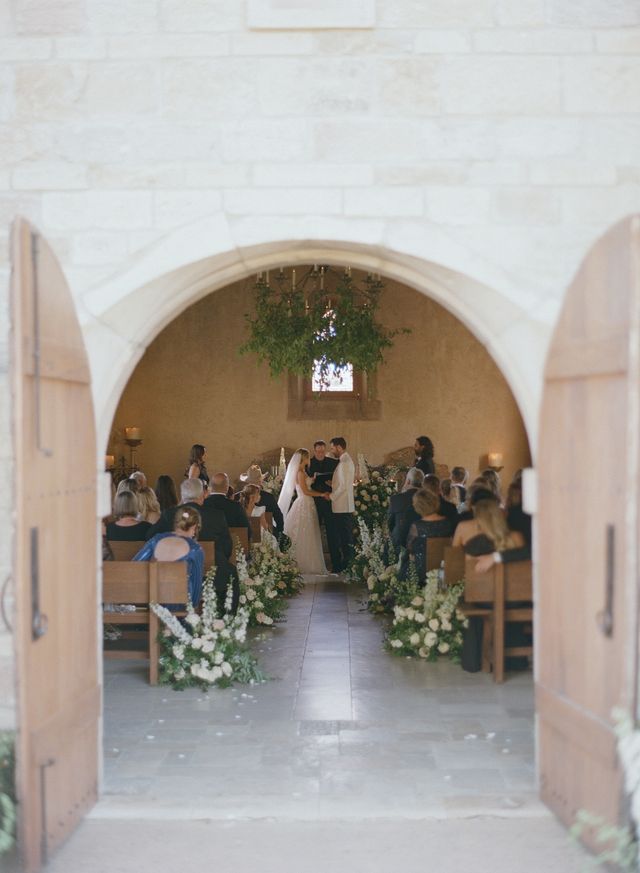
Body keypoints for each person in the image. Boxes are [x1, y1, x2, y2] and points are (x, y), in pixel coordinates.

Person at [133, 505, 204, 607]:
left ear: (176, 522)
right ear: (194, 527)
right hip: (181, 608)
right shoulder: (195, 549)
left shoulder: (156, 540)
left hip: (154, 602)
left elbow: (134, 566)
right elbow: (196, 592)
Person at [278, 449, 327, 574]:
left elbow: (306, 485)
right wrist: (321, 494)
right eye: (308, 457)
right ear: (304, 458)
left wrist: (312, 480)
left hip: (307, 503)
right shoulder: (300, 472)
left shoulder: (302, 471)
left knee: (309, 532)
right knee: (304, 532)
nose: (309, 459)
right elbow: (305, 491)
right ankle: (303, 564)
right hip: (304, 503)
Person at [406, 489, 454, 583]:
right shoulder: (448, 523)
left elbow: (409, 547)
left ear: (417, 506)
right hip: (443, 569)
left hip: (423, 571)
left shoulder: (417, 526)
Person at [307, 440, 340, 572]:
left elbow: (339, 480)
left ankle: (336, 564)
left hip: (328, 501)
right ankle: (313, 564)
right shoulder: (308, 464)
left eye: (322, 451)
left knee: (332, 532)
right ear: (314, 451)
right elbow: (305, 482)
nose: (320, 453)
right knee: (312, 533)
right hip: (313, 502)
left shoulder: (333, 463)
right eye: (318, 451)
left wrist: (333, 482)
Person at [329, 437, 356, 573]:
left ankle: (348, 566)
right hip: (342, 505)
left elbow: (344, 486)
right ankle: (347, 565)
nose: (331, 451)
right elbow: (341, 483)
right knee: (344, 537)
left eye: (332, 448)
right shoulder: (344, 461)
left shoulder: (345, 462)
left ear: (339, 447)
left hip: (342, 506)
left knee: (345, 539)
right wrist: (332, 484)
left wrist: (331, 496)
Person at [237, 465, 284, 537]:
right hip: (265, 534)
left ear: (247, 482)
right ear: (260, 481)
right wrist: (279, 532)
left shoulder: (237, 496)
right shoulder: (268, 497)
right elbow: (278, 516)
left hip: (242, 536)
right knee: (287, 542)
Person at [204, 472, 251, 541]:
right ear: (227, 487)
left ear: (210, 487)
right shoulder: (236, 507)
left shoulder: (202, 504)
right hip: (231, 548)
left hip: (205, 549)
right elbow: (247, 532)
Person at [387, 466, 424, 552]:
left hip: (400, 541)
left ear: (408, 481)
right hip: (422, 541)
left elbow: (390, 523)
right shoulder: (428, 499)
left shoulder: (396, 498)